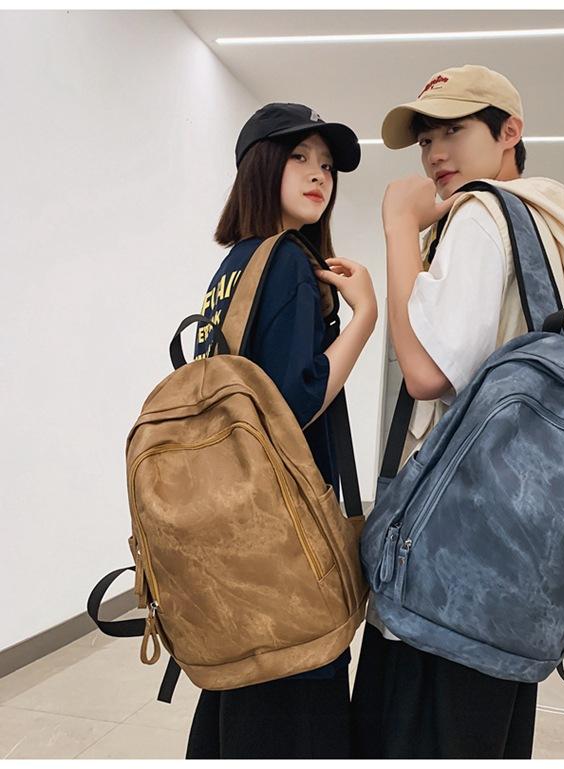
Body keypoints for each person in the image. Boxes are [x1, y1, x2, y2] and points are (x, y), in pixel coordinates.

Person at [351, 64, 564, 759]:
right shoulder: (548, 229)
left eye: (454, 131)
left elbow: (428, 373)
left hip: (447, 564)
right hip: (512, 560)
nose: (435, 154)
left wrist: (400, 228)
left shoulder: (482, 217)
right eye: (426, 140)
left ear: (508, 131)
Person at [185, 102, 377, 759]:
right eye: (299, 157)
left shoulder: (233, 267)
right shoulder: (289, 262)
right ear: (260, 167)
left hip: (232, 522)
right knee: (296, 692)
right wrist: (365, 317)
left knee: (244, 676)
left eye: (326, 164)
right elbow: (293, 402)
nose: (319, 174)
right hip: (285, 535)